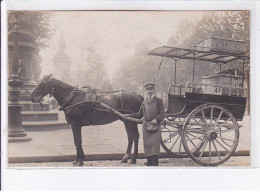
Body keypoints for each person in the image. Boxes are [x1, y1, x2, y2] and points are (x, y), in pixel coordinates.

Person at [126, 83, 165, 166]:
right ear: (146, 91)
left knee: (155, 144)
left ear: (154, 90)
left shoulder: (159, 100)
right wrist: (129, 115)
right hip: (146, 126)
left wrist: (157, 119)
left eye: (151, 89)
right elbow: (139, 114)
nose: (150, 91)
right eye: (148, 90)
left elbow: (162, 113)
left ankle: (154, 162)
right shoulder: (144, 102)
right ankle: (149, 161)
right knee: (147, 144)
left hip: (155, 125)